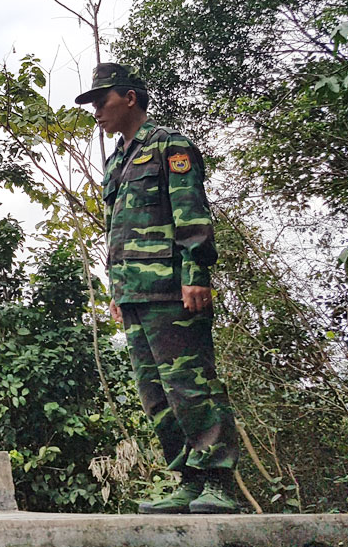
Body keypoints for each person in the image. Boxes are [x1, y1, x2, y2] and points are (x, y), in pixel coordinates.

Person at [75, 63, 239, 515]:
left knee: (192, 384)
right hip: (133, 296)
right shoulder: (115, 163)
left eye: (101, 102)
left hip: (172, 289)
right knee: (156, 396)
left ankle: (219, 482)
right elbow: (117, 231)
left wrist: (196, 274)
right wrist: (115, 292)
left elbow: (190, 212)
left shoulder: (170, 145)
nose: (96, 113)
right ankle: (189, 479)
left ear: (129, 97)